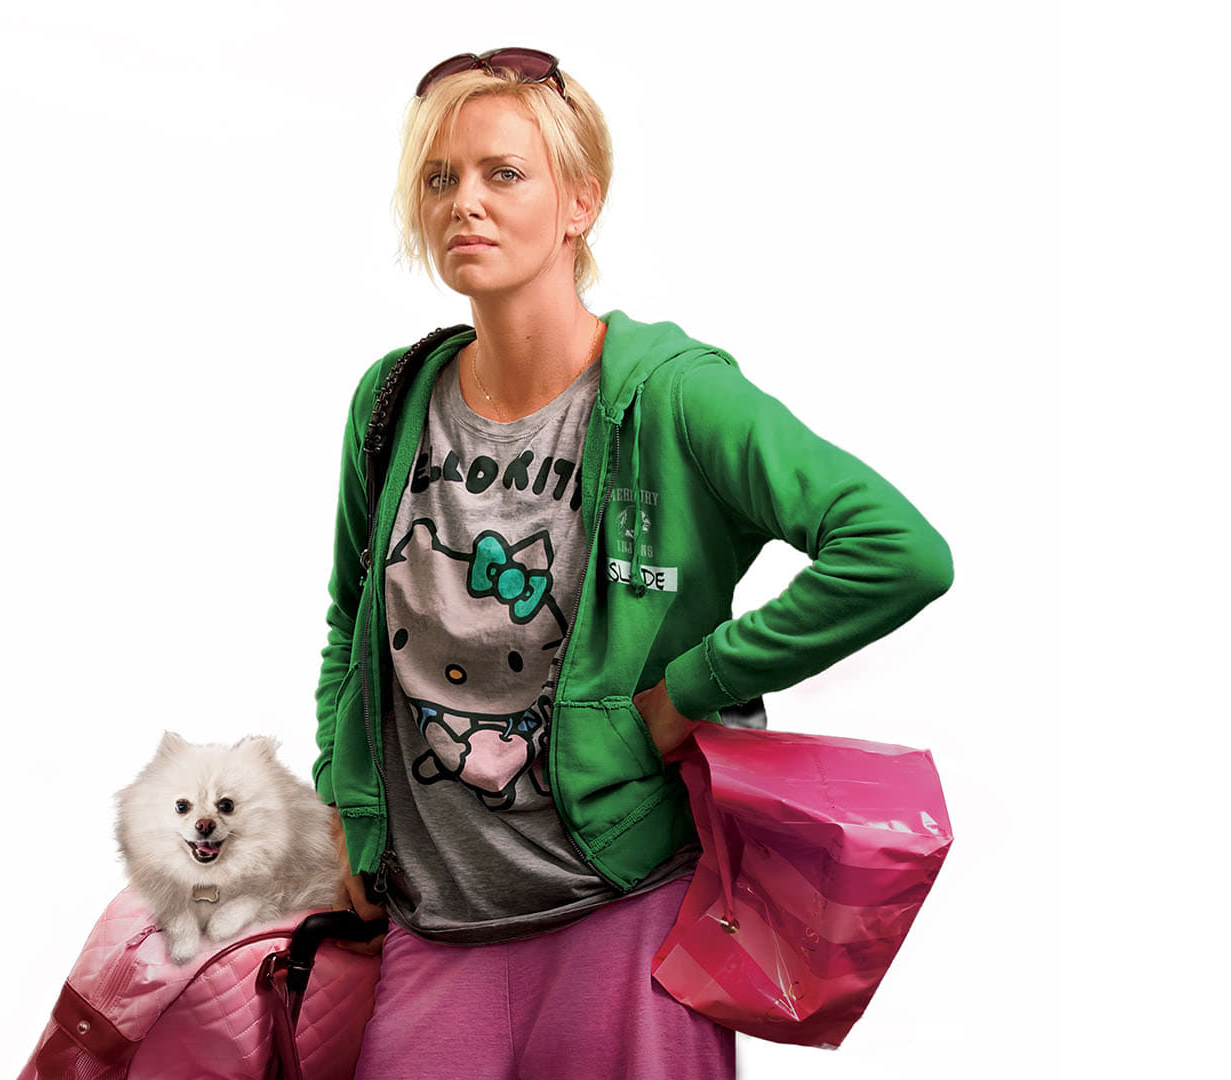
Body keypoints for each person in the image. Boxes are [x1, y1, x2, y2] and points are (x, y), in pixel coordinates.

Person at [311, 48, 953, 1079]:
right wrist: (347, 806)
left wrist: (689, 690)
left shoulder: (675, 395)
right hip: (432, 922)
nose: (464, 202)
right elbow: (352, 621)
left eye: (502, 173)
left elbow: (896, 551)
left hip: (623, 914)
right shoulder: (393, 399)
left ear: (581, 201)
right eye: (440, 177)